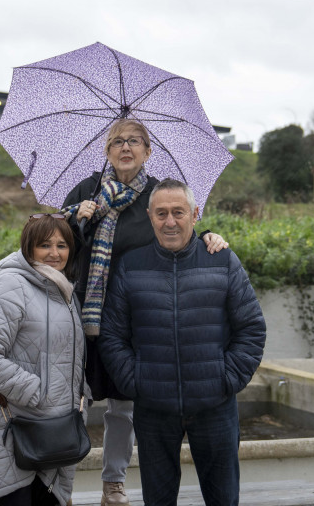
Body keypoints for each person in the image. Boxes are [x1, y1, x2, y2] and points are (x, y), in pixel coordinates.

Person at [61, 118, 229, 506]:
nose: (125, 147)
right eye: (117, 141)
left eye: (134, 141)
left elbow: (179, 228)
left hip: (134, 316)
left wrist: (209, 236)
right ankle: (60, 485)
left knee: (123, 405)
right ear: (106, 150)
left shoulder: (157, 194)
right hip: (82, 309)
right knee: (71, 402)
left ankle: (113, 483)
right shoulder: (87, 190)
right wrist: (76, 216)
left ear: (148, 151)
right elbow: (56, 243)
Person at [99, 179, 266, 506]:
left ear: (195, 214)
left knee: (223, 499)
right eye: (161, 213)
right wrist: (137, 382)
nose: (170, 221)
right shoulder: (131, 266)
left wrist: (225, 379)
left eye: (178, 212)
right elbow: (112, 334)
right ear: (150, 216)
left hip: (215, 406)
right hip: (153, 407)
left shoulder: (222, 260)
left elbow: (252, 328)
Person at [0, 213, 86, 506]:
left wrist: (82, 396)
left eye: (62, 245)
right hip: (13, 431)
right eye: (44, 245)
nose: (54, 253)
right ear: (28, 248)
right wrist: (36, 392)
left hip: (55, 433)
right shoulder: (11, 285)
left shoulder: (66, 291)